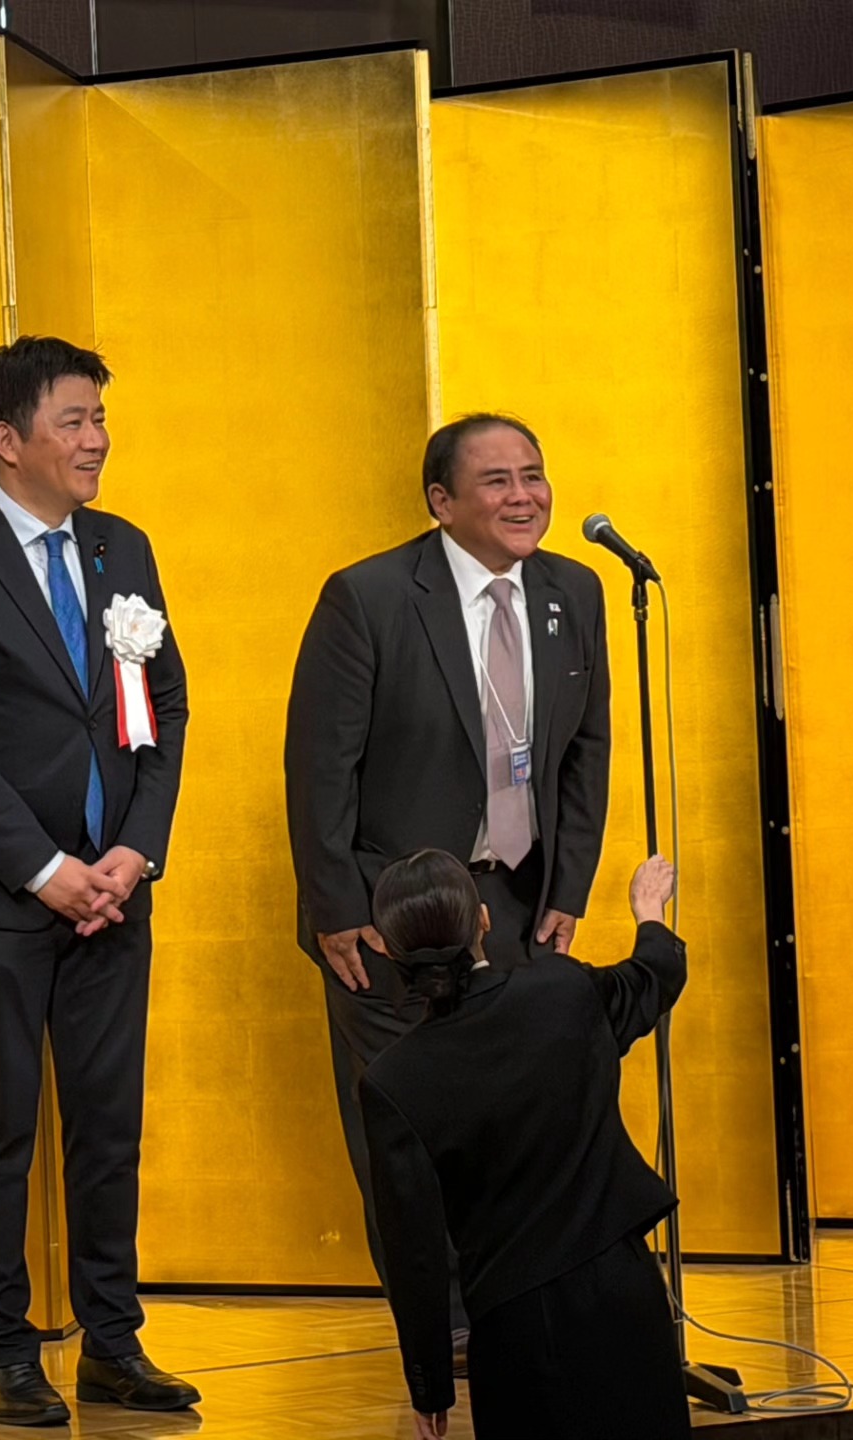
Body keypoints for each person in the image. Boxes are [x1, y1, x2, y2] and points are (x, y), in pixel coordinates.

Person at [0, 336, 199, 1425]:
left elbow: (164, 707)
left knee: (109, 1128)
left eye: (100, 417)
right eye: (75, 420)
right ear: (8, 439)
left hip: (116, 897)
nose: (98, 438)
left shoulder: (123, 548)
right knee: (2, 1136)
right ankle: (8, 1352)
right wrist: (47, 869)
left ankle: (113, 1343)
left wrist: (132, 853)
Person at [284, 413, 611, 1351]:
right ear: (441, 501)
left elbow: (586, 752)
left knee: (514, 1119)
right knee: (411, 1132)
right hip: (394, 912)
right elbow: (318, 770)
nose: (524, 497)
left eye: (533, 475)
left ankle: (516, 1304)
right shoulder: (370, 597)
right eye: (498, 480)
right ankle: (446, 1327)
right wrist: (338, 910)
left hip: (515, 902)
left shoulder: (575, 591)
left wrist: (568, 889)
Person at [362, 848, 691, 1440]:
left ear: (386, 948)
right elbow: (655, 975)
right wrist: (648, 910)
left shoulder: (392, 1081)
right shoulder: (563, 990)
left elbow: (414, 1253)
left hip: (513, 1330)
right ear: (483, 920)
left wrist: (430, 1384)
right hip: (626, 1298)